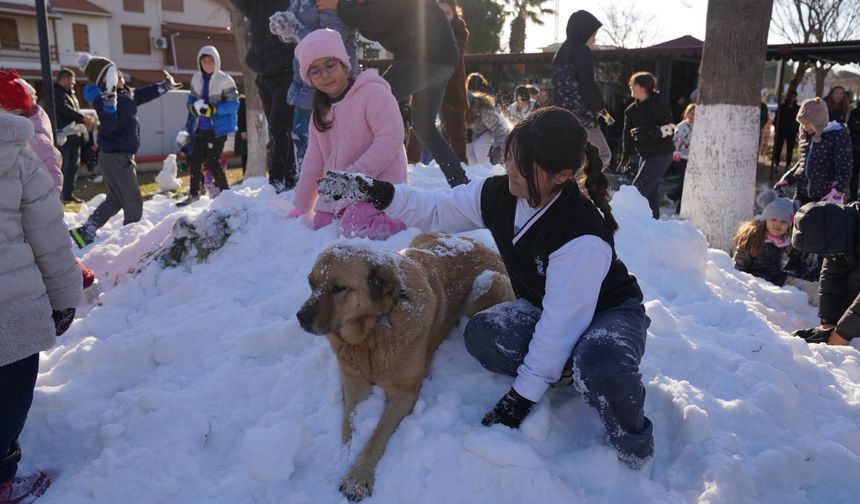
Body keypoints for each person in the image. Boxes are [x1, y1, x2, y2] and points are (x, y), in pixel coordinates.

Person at [316, 106, 654, 468]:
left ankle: (634, 448)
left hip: (609, 315)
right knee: (484, 334)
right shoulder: (500, 194)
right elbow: (438, 210)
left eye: (523, 167)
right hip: (548, 307)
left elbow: (561, 323)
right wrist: (378, 192)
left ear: (562, 175)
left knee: (601, 362)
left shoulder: (581, 235)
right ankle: (566, 366)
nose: (510, 170)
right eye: (509, 157)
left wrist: (521, 398)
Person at [0, 109, 83, 503]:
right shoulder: (13, 147)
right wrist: (64, 299)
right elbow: (47, 232)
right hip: (10, 310)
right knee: (8, 401)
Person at [321, 0, 469, 187]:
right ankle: (460, 181)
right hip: (441, 61)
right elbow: (375, 25)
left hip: (424, 57)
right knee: (424, 128)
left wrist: (338, 6)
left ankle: (358, 176)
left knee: (370, 101)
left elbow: (377, 19)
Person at [287, 29, 407, 240]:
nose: (325, 75)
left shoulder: (372, 93)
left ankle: (400, 223)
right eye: (315, 71)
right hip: (340, 189)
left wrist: (354, 177)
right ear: (309, 79)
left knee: (353, 225)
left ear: (344, 64)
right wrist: (302, 204)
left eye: (330, 65)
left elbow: (391, 137)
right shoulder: (320, 112)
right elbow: (314, 160)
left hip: (379, 184)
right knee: (321, 224)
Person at [68, 54, 181, 248]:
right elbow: (110, 126)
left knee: (116, 199)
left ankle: (87, 229)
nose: (120, 75)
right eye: (114, 74)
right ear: (105, 80)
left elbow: (143, 94)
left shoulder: (126, 93)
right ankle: (131, 242)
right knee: (133, 202)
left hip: (117, 156)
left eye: (118, 71)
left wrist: (164, 86)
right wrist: (109, 107)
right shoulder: (104, 99)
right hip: (116, 157)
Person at [269, 0, 358, 175]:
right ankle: (308, 186)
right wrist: (282, 26)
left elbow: (331, 41)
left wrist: (294, 28)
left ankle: (335, 186)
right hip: (305, 84)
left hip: (332, 86)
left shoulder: (336, 2)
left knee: (333, 149)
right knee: (302, 142)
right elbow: (295, 37)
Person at [229, 0, 296, 192]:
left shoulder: (291, 3)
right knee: (277, 129)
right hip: (264, 74)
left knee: (279, 125)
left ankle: (277, 180)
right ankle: (290, 176)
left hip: (286, 71)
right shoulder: (254, 4)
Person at [406, 0, 469, 164]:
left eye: (447, 13)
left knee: (456, 127)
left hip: (452, 83)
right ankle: (411, 160)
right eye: (439, 12)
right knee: (420, 124)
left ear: (454, 13)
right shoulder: (424, 27)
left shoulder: (459, 28)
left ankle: (461, 162)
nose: (443, 17)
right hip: (427, 81)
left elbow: (455, 52)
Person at [790, 201, 860, 345]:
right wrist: (829, 323)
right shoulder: (843, 230)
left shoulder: (842, 231)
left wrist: (842, 334)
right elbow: (832, 276)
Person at [176, 46, 238, 207]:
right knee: (195, 160)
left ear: (216, 61)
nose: (208, 64)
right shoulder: (196, 79)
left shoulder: (225, 80)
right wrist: (192, 107)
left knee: (212, 160)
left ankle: (226, 195)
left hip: (219, 128)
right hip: (200, 127)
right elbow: (190, 99)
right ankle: (193, 194)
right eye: (204, 61)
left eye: (211, 61)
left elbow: (234, 104)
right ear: (199, 62)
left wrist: (213, 109)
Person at [551, 10, 614, 169]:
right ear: (583, 31)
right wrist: (601, 109)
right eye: (593, 34)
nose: (594, 39)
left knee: (572, 156)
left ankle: (568, 180)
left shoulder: (560, 53)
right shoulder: (582, 52)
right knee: (603, 155)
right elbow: (587, 85)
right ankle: (576, 182)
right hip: (582, 114)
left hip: (562, 115)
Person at [732, 190, 817, 301]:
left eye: (783, 221)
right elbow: (739, 267)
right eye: (773, 219)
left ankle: (826, 308)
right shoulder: (753, 237)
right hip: (756, 282)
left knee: (813, 290)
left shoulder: (789, 241)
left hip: (779, 279)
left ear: (789, 225)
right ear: (765, 220)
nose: (778, 224)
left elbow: (796, 265)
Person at [618, 71, 675, 220]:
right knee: (650, 194)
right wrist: (625, 155)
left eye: (633, 84)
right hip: (646, 155)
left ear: (643, 87)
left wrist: (649, 132)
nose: (630, 87)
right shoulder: (630, 110)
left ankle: (624, 222)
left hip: (662, 154)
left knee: (638, 189)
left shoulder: (659, 104)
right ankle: (653, 224)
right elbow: (627, 135)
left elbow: (671, 128)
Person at [775, 97, 853, 206]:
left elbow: (844, 166)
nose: (804, 126)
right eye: (802, 123)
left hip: (825, 196)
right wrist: (788, 178)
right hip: (802, 193)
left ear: (818, 121)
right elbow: (803, 162)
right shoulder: (807, 136)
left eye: (807, 123)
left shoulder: (836, 136)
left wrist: (838, 189)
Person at [53, 67, 92, 203]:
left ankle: (69, 194)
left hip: (74, 138)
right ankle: (61, 196)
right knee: (63, 168)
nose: (74, 83)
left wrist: (83, 120)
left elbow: (73, 112)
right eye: (72, 80)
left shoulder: (70, 94)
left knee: (73, 167)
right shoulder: (56, 93)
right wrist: (82, 118)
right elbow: (63, 109)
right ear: (65, 79)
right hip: (63, 138)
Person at [466, 91, 508, 165]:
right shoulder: (464, 113)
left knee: (479, 147)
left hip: (498, 135)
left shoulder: (483, 110)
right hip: (480, 135)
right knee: (469, 155)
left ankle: (489, 167)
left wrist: (498, 148)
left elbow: (499, 128)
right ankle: (478, 169)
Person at [666, 103, 695, 214]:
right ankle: (672, 195)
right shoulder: (682, 126)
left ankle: (679, 208)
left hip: (692, 158)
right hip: (681, 157)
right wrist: (676, 152)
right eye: (691, 113)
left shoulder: (699, 126)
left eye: (696, 114)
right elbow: (676, 141)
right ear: (687, 113)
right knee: (686, 181)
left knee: (688, 183)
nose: (693, 116)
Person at [773, 91, 800, 171]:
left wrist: (796, 130)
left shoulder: (797, 108)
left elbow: (799, 120)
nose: (792, 98)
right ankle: (776, 163)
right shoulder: (782, 107)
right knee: (778, 147)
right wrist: (776, 128)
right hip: (781, 130)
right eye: (790, 96)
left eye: (793, 96)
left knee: (790, 148)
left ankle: (788, 164)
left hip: (791, 131)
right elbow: (776, 119)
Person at [848, 99, 860, 202]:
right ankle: (853, 196)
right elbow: (852, 126)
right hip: (855, 149)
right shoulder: (855, 112)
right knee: (854, 174)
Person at [235, 95, 248, 174]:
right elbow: (240, 117)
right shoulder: (243, 101)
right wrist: (243, 130)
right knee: (245, 154)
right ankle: (245, 173)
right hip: (244, 131)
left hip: (253, 131)